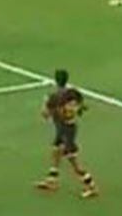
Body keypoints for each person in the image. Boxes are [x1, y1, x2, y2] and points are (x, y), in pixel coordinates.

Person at [36, 69, 98, 198]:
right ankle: (52, 180)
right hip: (69, 127)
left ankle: (91, 186)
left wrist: (45, 104)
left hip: (65, 131)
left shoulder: (53, 97)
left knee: (73, 161)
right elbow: (83, 108)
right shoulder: (73, 93)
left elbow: (45, 115)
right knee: (56, 151)